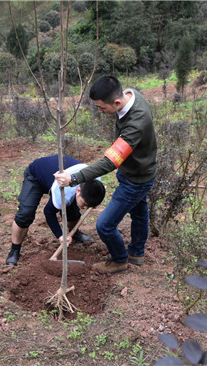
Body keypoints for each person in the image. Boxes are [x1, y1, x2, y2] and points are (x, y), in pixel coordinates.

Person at [54, 76, 157, 274]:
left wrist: (73, 178)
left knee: (105, 225)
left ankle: (120, 260)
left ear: (117, 103)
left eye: (102, 108)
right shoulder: (130, 95)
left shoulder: (136, 121)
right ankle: (136, 253)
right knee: (139, 211)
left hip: (136, 179)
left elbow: (110, 162)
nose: (100, 112)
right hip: (139, 170)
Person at [5, 155, 106, 266]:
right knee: (25, 213)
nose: (86, 208)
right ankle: (15, 250)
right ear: (78, 190)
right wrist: (60, 235)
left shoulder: (95, 179)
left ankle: (75, 233)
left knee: (73, 212)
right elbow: (49, 213)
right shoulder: (63, 192)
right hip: (36, 175)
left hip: (60, 177)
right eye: (85, 204)